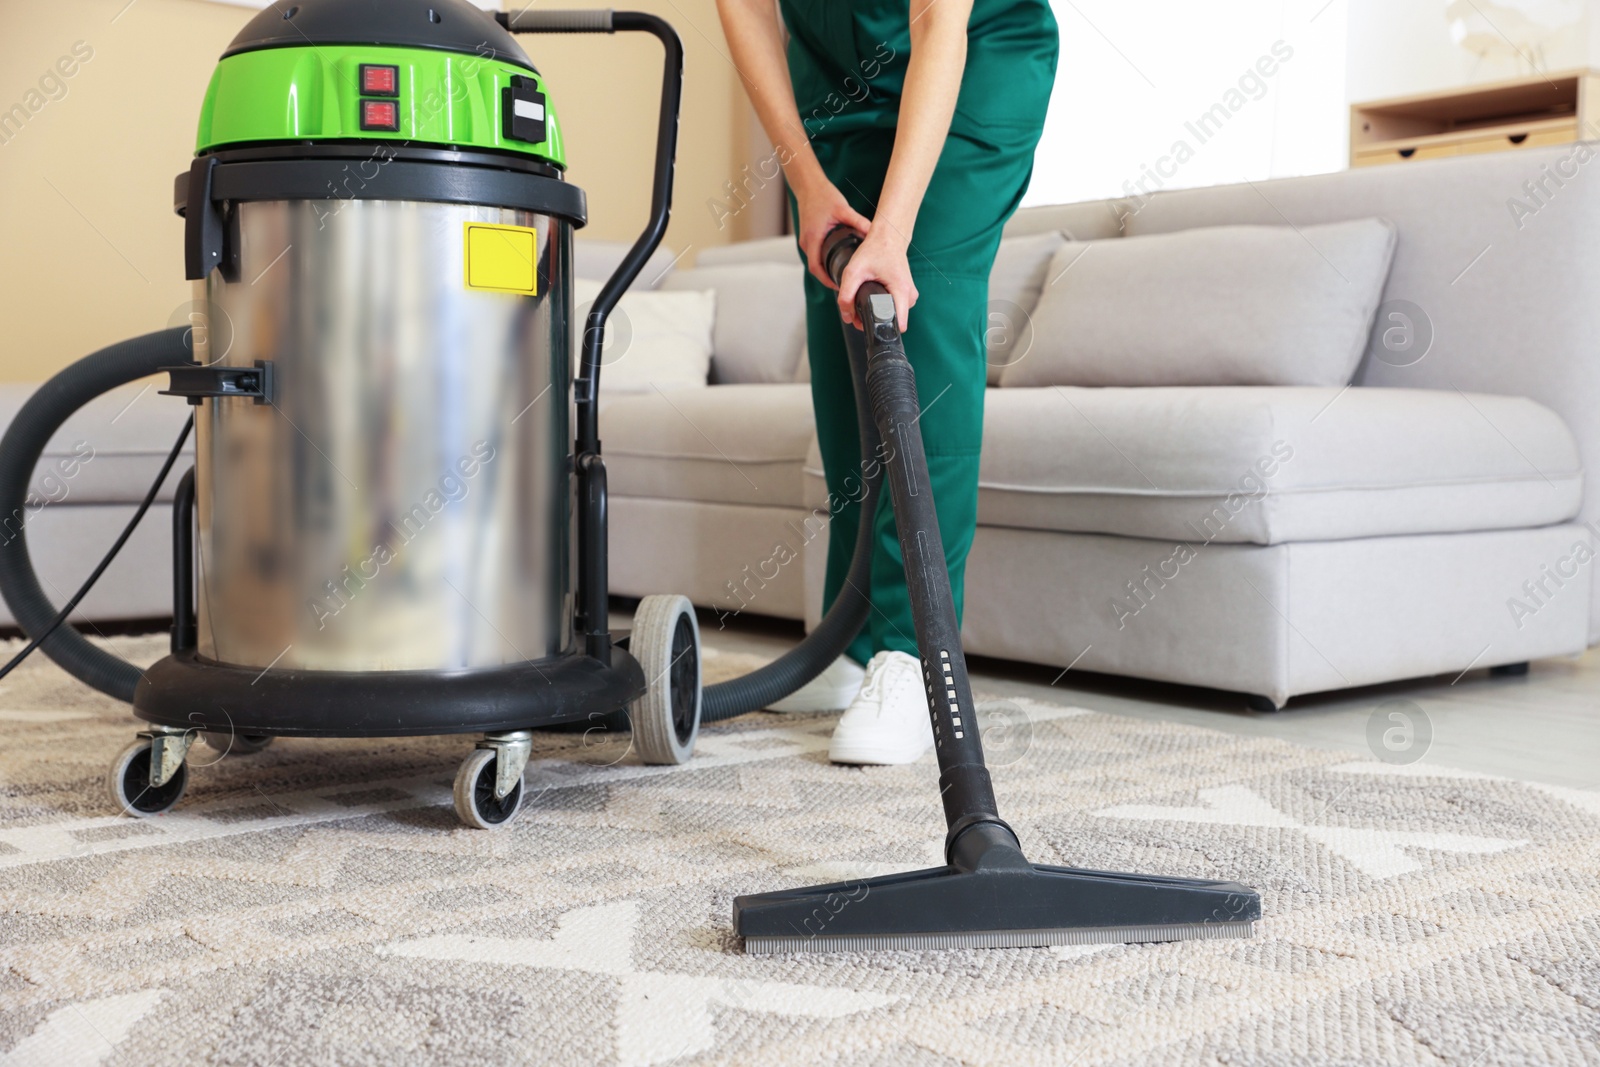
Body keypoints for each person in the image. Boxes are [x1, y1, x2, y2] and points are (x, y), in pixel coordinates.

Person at [716, 0, 1058, 764]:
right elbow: (740, 7)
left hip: (972, 60)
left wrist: (895, 233)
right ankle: (853, 637)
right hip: (835, 68)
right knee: (839, 296)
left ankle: (915, 658)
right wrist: (805, 186)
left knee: (914, 299)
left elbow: (939, 22)